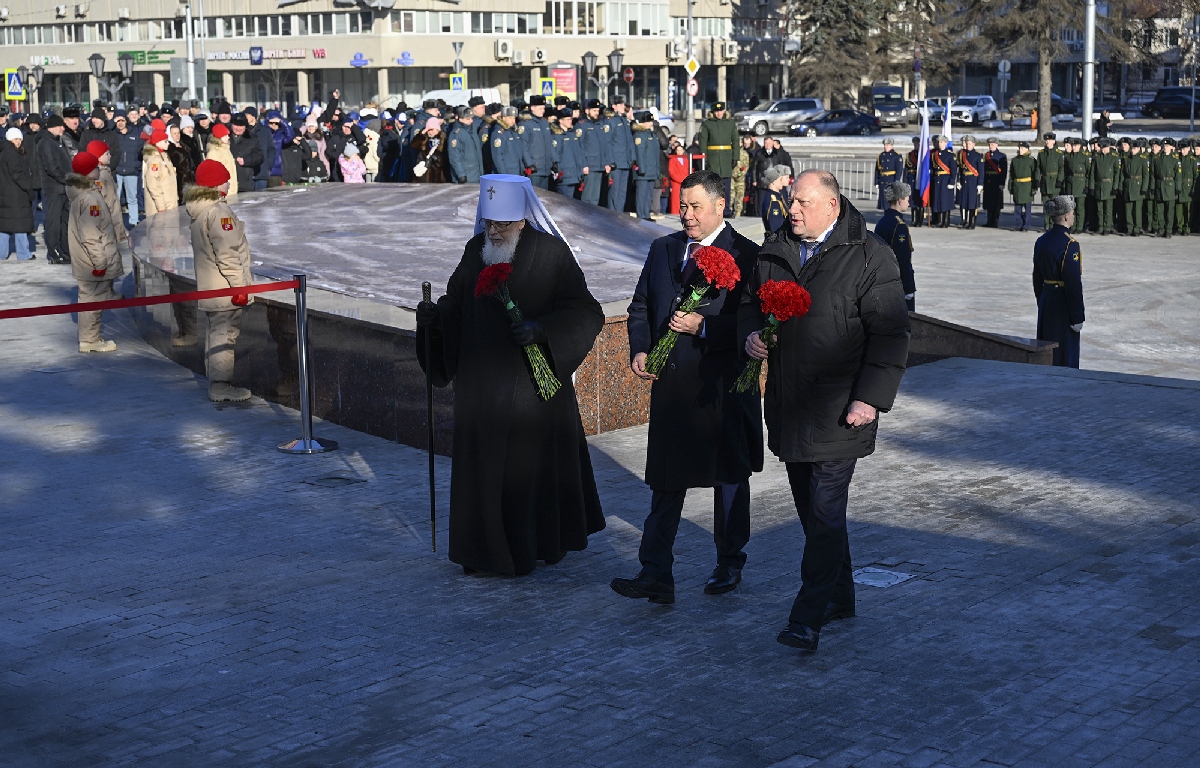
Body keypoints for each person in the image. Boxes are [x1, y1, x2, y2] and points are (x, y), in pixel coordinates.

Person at [738, 169, 910, 653]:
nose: (792, 209)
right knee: (815, 515)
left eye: (803, 203)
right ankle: (841, 595)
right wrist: (750, 335)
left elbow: (891, 332)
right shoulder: (777, 248)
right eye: (792, 201)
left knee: (826, 511)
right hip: (791, 406)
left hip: (841, 408)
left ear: (832, 207)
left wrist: (870, 398)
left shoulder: (871, 255)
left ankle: (807, 616)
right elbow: (750, 305)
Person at [414, 174, 606, 576]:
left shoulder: (552, 254)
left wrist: (543, 330)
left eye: (502, 224)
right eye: (489, 223)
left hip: (531, 392)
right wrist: (434, 319)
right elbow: (457, 304)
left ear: (522, 220)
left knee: (524, 473)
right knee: (485, 472)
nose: (494, 231)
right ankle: (482, 550)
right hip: (482, 391)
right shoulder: (475, 250)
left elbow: (586, 311)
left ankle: (532, 546)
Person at [612, 169, 763, 605]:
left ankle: (730, 561)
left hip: (721, 389)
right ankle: (655, 572)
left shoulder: (748, 255)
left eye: (696, 207)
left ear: (721, 206)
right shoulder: (664, 249)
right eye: (683, 206)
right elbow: (640, 306)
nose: (687, 215)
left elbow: (754, 326)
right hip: (673, 388)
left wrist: (704, 327)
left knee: (729, 478)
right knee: (666, 481)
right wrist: (640, 349)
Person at [185, 159, 255, 402]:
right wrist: (240, 286)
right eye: (225, 179)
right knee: (224, 335)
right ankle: (221, 385)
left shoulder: (201, 210)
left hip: (211, 286)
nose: (229, 182)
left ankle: (216, 379)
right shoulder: (218, 213)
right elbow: (227, 254)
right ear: (217, 185)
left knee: (216, 333)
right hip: (224, 288)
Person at [66, 151, 123, 353]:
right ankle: (90, 339)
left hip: (85, 259)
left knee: (91, 298)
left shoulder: (85, 194)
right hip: (91, 261)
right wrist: (100, 262)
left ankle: (90, 337)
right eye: (95, 167)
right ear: (89, 171)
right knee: (93, 299)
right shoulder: (90, 199)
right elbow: (91, 233)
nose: (99, 169)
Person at [1033, 195, 1085, 368]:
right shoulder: (1070, 245)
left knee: (1047, 351)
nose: (1073, 215)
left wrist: (1042, 300)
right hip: (1063, 306)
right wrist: (1077, 315)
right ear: (1065, 216)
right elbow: (1073, 283)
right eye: (1072, 212)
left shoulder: (1042, 240)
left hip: (1047, 302)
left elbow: (1037, 277)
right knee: (1065, 354)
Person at [875, 181, 916, 312]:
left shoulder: (882, 222)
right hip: (898, 285)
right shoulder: (899, 225)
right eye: (907, 199)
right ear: (900, 200)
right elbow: (902, 259)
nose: (908, 203)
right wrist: (908, 287)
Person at [38, 115, 73, 264]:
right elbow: (51, 167)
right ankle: (54, 252)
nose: (63, 129)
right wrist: (65, 179)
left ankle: (66, 251)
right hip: (54, 188)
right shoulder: (46, 142)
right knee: (54, 221)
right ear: (53, 126)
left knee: (65, 221)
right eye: (61, 126)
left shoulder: (56, 141)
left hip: (63, 188)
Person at [697, 102, 739, 217]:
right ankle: (713, 210)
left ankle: (726, 210)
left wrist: (735, 157)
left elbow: (735, 140)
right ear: (713, 112)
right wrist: (703, 157)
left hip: (726, 158)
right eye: (716, 111)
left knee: (726, 186)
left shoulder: (730, 123)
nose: (719, 113)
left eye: (721, 111)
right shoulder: (707, 124)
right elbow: (703, 141)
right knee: (713, 186)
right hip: (713, 158)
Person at [0, 127, 35, 261]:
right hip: (16, 195)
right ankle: (23, 254)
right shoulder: (11, 154)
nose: (19, 142)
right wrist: (28, 186)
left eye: (20, 139)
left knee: (5, 226)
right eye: (16, 139)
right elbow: (17, 174)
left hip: (6, 194)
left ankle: (1, 253)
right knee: (20, 225)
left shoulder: (4, 152)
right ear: (10, 139)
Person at [86, 140, 128, 243]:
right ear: (98, 156)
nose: (110, 156)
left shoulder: (105, 172)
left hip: (111, 216)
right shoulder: (98, 175)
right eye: (107, 154)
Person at [604, 96, 636, 213]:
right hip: (616, 162)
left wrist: (632, 158)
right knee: (615, 190)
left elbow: (630, 142)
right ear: (614, 106)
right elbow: (607, 142)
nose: (624, 107)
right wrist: (610, 161)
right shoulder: (611, 121)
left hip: (625, 162)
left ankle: (620, 213)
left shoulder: (624, 121)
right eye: (621, 105)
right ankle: (613, 214)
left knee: (622, 191)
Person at [113, 112, 144, 228]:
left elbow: (141, 149)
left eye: (122, 120)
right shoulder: (113, 135)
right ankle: (115, 221)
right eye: (118, 121)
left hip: (131, 171)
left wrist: (137, 165)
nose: (120, 123)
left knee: (132, 197)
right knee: (115, 198)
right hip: (117, 171)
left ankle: (134, 221)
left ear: (126, 121)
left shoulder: (135, 135)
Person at [578, 100, 611, 206]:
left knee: (595, 197)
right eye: (594, 110)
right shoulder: (582, 126)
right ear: (587, 111)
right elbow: (580, 147)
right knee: (587, 196)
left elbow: (604, 146)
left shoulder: (599, 124)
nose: (597, 113)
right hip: (589, 165)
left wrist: (607, 162)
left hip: (600, 165)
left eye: (597, 110)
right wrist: (584, 165)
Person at [519, 95, 554, 190]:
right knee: (533, 196)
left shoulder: (545, 123)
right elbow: (523, 146)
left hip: (546, 167)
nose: (543, 110)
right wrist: (529, 164)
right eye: (540, 108)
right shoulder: (526, 124)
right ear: (532, 108)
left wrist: (553, 162)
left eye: (543, 108)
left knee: (543, 198)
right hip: (535, 169)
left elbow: (550, 144)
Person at [631, 111, 661, 221]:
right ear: (642, 123)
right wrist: (642, 169)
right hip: (643, 171)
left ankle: (646, 214)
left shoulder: (652, 135)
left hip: (651, 170)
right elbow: (640, 154)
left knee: (648, 194)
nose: (650, 123)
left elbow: (655, 155)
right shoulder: (639, 136)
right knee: (641, 194)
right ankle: (641, 214)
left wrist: (657, 170)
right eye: (648, 121)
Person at [141, 129, 177, 217]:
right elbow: (153, 185)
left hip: (169, 202)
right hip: (162, 205)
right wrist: (161, 207)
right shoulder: (154, 161)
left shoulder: (164, 156)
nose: (168, 143)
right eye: (165, 141)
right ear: (157, 143)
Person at [550, 108, 584, 198]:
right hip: (565, 176)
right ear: (561, 121)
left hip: (575, 175)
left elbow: (578, 153)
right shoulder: (557, 136)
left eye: (571, 119)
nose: (570, 121)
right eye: (568, 119)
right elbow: (555, 156)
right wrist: (560, 173)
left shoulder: (572, 135)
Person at [1088, 138, 1119, 236]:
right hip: (1099, 185)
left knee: (1108, 209)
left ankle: (1107, 227)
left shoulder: (1114, 158)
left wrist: (1115, 187)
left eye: (1104, 148)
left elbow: (1117, 173)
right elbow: (1092, 173)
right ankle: (1100, 226)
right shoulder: (1097, 158)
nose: (1103, 150)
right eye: (1101, 148)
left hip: (1109, 185)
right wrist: (1092, 187)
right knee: (1100, 208)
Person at [1149, 138, 1179, 238]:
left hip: (1170, 186)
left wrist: (1178, 187)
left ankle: (1168, 230)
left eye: (1167, 146)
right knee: (1159, 210)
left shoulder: (1175, 160)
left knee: (1169, 211)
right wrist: (1152, 187)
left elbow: (1178, 175)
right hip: (1159, 186)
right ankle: (1161, 229)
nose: (1165, 148)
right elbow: (1153, 175)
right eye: (1164, 146)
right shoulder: (1156, 159)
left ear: (1171, 147)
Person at [448, 107, 484, 185]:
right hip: (467, 176)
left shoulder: (472, 131)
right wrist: (461, 175)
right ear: (459, 119)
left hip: (477, 174)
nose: (471, 121)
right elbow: (455, 157)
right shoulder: (456, 134)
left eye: (471, 118)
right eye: (468, 119)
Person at [1009, 141, 1038, 232]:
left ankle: (1026, 225)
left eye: (1022, 148)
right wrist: (1011, 186)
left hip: (1027, 186)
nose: (1020, 150)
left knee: (1027, 208)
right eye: (1020, 148)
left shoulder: (1031, 160)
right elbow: (1012, 175)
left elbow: (1035, 173)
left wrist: (1034, 186)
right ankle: (1019, 224)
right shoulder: (1015, 160)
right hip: (1017, 186)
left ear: (1027, 149)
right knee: (1017, 208)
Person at [1038, 132, 1064, 230]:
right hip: (1045, 181)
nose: (1047, 142)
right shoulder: (1041, 153)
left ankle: (1054, 224)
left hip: (1054, 181)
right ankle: (1046, 224)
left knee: (1054, 206)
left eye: (1049, 140)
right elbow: (1038, 168)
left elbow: (1061, 168)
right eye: (1046, 140)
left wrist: (1059, 180)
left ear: (1054, 141)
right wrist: (1037, 179)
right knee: (1046, 205)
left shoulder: (1058, 154)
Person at [955, 135, 983, 229]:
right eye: (966, 143)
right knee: (965, 202)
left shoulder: (978, 156)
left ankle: (972, 223)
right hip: (965, 180)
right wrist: (959, 180)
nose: (967, 145)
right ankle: (966, 221)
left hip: (973, 181)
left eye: (969, 144)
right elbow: (960, 169)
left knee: (972, 203)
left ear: (974, 144)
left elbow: (981, 171)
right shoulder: (962, 154)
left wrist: (980, 184)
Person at [1063, 138, 1089, 234]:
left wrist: (1087, 185)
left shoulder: (1084, 157)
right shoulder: (1069, 157)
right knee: (1071, 208)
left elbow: (1089, 172)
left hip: (1081, 183)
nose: (1073, 148)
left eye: (1075, 146)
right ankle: (1072, 225)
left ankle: (1079, 226)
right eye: (1072, 146)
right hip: (1071, 183)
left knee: (1080, 208)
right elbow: (1065, 171)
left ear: (1080, 146)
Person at [930, 135, 956, 228]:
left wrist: (952, 182)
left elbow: (953, 170)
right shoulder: (934, 154)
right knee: (938, 201)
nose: (939, 144)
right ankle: (939, 221)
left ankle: (946, 221)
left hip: (946, 179)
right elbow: (933, 168)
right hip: (937, 179)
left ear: (945, 143)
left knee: (946, 201)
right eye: (938, 142)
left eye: (941, 142)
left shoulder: (950, 154)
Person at [410, 117, 447, 183]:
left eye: (432, 130)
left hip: (438, 174)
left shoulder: (443, 139)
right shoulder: (424, 138)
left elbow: (446, 156)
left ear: (437, 129)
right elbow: (414, 145)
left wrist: (437, 159)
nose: (430, 132)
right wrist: (422, 133)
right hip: (424, 173)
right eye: (428, 130)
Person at [205, 123, 238, 198]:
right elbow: (212, 175)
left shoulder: (227, 149)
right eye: (225, 135)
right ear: (219, 137)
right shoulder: (214, 153)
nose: (228, 137)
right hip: (223, 193)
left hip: (231, 190)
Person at [489, 107, 523, 177]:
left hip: (516, 171)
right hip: (506, 173)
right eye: (510, 118)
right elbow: (497, 157)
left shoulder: (514, 132)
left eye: (514, 118)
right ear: (503, 118)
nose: (513, 121)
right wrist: (504, 175)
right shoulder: (499, 134)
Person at [982, 137, 1007, 228]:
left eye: (992, 144)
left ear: (997, 145)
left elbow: (1003, 171)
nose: (991, 146)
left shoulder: (1001, 156)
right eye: (989, 144)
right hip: (988, 181)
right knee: (988, 202)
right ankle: (989, 221)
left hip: (996, 181)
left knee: (996, 203)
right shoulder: (986, 155)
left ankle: (995, 221)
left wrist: (1002, 183)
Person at [759, 165, 791, 235]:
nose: (781, 182)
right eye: (779, 180)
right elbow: (775, 224)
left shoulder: (778, 196)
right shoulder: (773, 200)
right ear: (773, 182)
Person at [874, 138, 904, 210]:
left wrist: (896, 181)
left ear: (891, 145)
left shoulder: (896, 155)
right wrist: (876, 181)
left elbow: (899, 170)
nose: (885, 146)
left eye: (887, 145)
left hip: (891, 179)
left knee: (891, 202)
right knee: (884, 202)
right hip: (883, 180)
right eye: (884, 145)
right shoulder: (881, 155)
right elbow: (877, 170)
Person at [904, 136, 925, 227]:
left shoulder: (924, 155)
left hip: (920, 179)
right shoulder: (910, 155)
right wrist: (905, 180)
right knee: (912, 200)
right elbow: (906, 169)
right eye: (915, 143)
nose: (916, 145)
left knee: (920, 200)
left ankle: (920, 220)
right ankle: (914, 220)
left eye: (918, 143)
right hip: (912, 179)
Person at [1177, 139, 1195, 235]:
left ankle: (1187, 228)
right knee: (1179, 209)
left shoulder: (1192, 160)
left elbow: (1195, 176)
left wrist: (1193, 189)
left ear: (1188, 148)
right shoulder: (1178, 159)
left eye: (1184, 149)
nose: (1182, 151)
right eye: (1181, 149)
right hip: (1180, 186)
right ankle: (1180, 227)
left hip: (1188, 186)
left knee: (1187, 210)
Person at [666, 145, 689, 214]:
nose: (679, 152)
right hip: (676, 183)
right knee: (676, 200)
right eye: (678, 150)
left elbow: (689, 170)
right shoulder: (672, 159)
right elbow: (672, 172)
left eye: (681, 150)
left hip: (685, 183)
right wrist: (682, 179)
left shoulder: (686, 159)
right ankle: (675, 214)